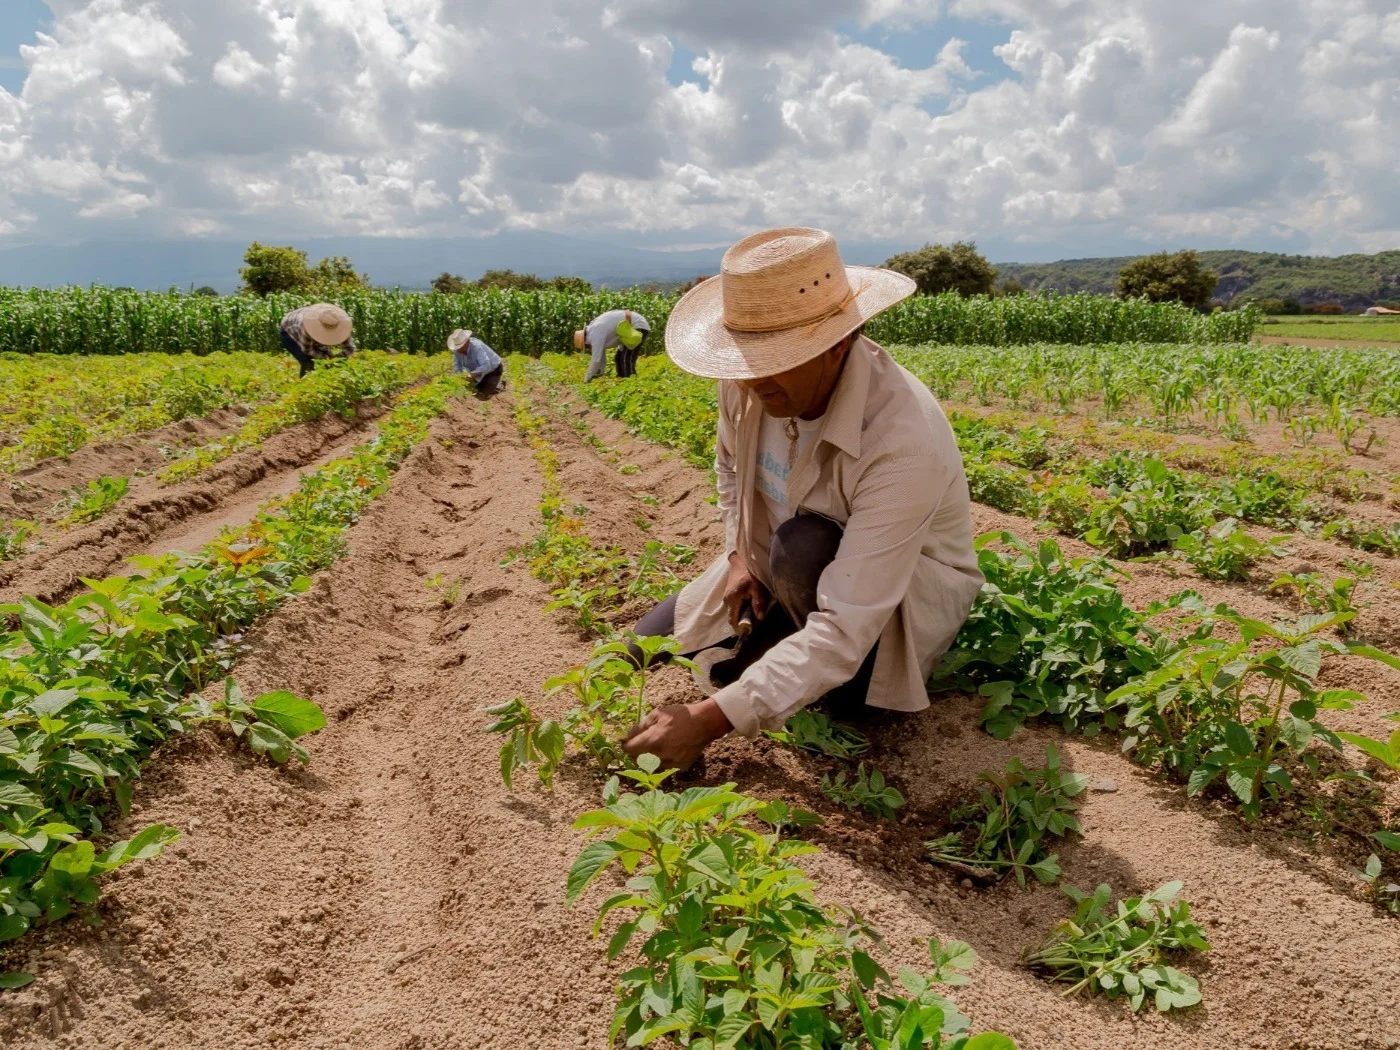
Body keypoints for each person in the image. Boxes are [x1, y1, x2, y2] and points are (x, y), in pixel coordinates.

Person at [621, 227, 984, 772]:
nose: (751, 378)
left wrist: (707, 721)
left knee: (802, 545)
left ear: (837, 344)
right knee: (637, 647)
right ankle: (773, 640)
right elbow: (728, 466)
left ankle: (834, 692)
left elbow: (845, 627)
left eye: (774, 358)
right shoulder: (747, 383)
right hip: (776, 567)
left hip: (882, 606)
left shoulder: (904, 441)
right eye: (745, 359)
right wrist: (739, 553)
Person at [280, 303, 356, 377]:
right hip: (289, 331)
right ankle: (305, 386)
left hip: (301, 326)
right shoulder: (306, 328)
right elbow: (308, 350)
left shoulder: (339, 325)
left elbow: (350, 348)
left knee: (326, 363)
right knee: (308, 363)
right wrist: (327, 358)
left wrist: (338, 359)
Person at [576, 309, 651, 382]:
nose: (589, 349)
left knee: (626, 358)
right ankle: (622, 380)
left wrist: (587, 378)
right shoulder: (593, 330)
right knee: (618, 358)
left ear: (585, 342)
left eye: (586, 347)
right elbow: (601, 358)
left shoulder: (594, 335)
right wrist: (600, 372)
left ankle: (631, 382)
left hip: (638, 326)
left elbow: (596, 359)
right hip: (629, 330)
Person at [447, 328, 505, 396]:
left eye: (461, 347)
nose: (459, 349)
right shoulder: (457, 351)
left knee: (485, 391)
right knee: (475, 389)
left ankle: (499, 385)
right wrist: (459, 379)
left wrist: (472, 374)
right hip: (479, 373)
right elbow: (457, 367)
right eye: (457, 348)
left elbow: (486, 365)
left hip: (493, 369)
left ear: (467, 342)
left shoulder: (476, 346)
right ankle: (486, 384)